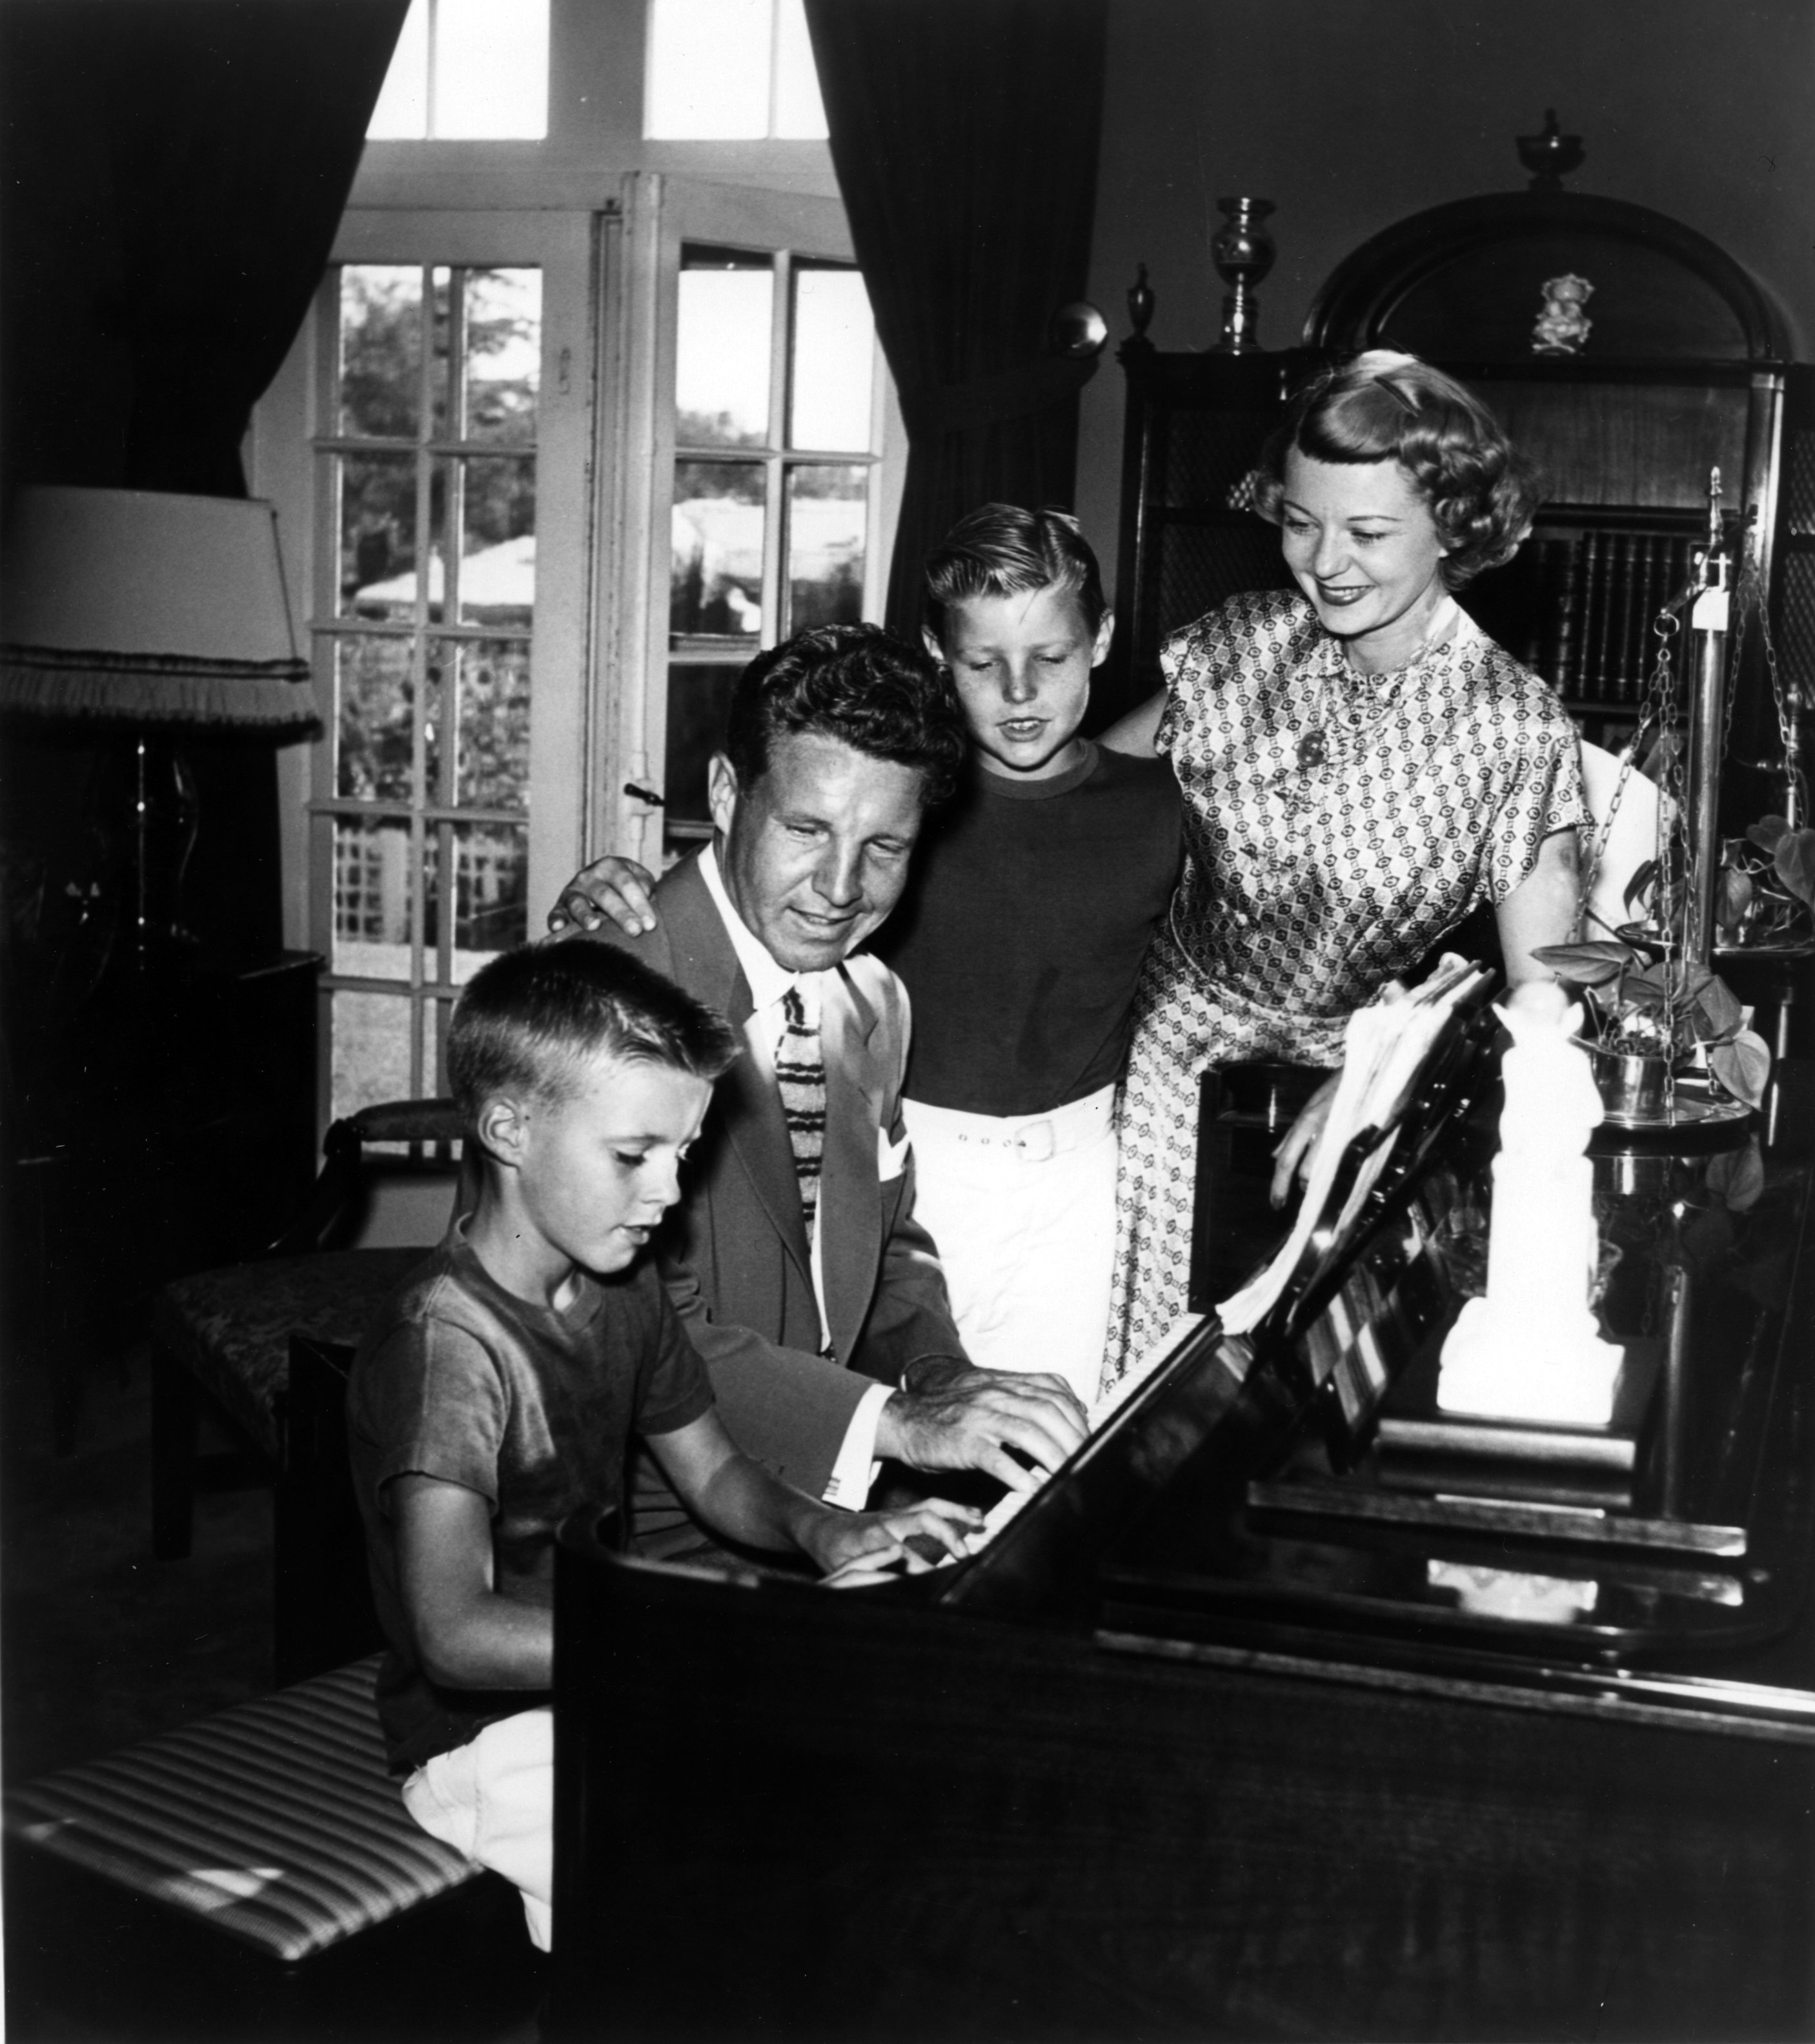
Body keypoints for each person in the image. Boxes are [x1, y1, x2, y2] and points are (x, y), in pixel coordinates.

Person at [347, 939, 980, 1954]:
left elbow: (718, 1472)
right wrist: (691, 1644)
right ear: (508, 1130)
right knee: (715, 1900)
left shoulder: (620, 1284)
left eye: (681, 1157)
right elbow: (453, 1633)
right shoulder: (448, 1347)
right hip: (482, 1744)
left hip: (605, 1683)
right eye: (633, 1156)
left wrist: (832, 1535)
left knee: (848, 1803)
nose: (667, 1195)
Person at [551, 510, 1181, 1402]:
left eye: (1052, 657)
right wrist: (617, 898)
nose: (1019, 691)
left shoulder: (1159, 811)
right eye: (982, 663)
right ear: (940, 653)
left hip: (1074, 1186)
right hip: (906, 1163)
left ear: (1101, 642)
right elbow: (753, 879)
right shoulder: (890, 799)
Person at [1098, 349, 1587, 1385]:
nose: (1324, 563)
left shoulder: (1510, 729)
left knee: (1269, 1412)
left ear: (1453, 527)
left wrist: (1380, 1071)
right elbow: (1078, 808)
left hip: (1344, 1129)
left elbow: (1547, 997)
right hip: (1147, 1075)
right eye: (1299, 522)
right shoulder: (1236, 647)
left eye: (1367, 531)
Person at [560, 623, 1090, 1553]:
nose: (842, 888)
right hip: (637, 1538)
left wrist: (936, 1377)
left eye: (886, 846)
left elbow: (890, 1249)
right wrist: (889, 1422)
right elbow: (641, 1330)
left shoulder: (875, 999)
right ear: (726, 795)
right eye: (807, 829)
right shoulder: (610, 988)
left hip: (829, 1506)